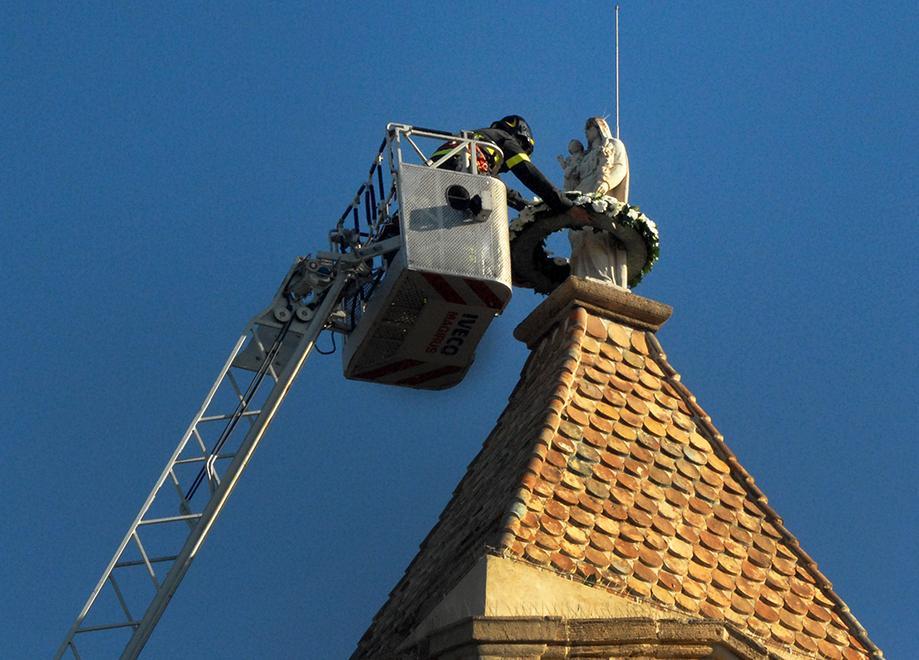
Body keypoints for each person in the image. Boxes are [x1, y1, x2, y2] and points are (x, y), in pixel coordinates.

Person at [432, 115, 588, 219]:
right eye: (522, 149)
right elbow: (527, 172)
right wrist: (563, 205)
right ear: (519, 138)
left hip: (435, 177)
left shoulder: (481, 139)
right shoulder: (504, 138)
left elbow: (504, 191)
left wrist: (528, 208)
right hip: (462, 169)